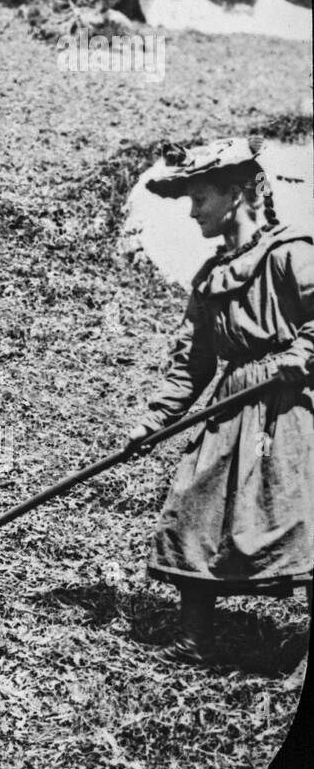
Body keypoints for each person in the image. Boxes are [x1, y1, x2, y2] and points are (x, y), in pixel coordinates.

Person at [127, 137, 312, 665]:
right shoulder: (210, 277)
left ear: (235, 194)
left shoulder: (292, 252)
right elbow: (193, 363)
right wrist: (153, 421)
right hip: (231, 405)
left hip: (288, 405)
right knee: (194, 505)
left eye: (199, 198)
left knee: (298, 514)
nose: (192, 212)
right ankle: (195, 639)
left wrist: (301, 352)